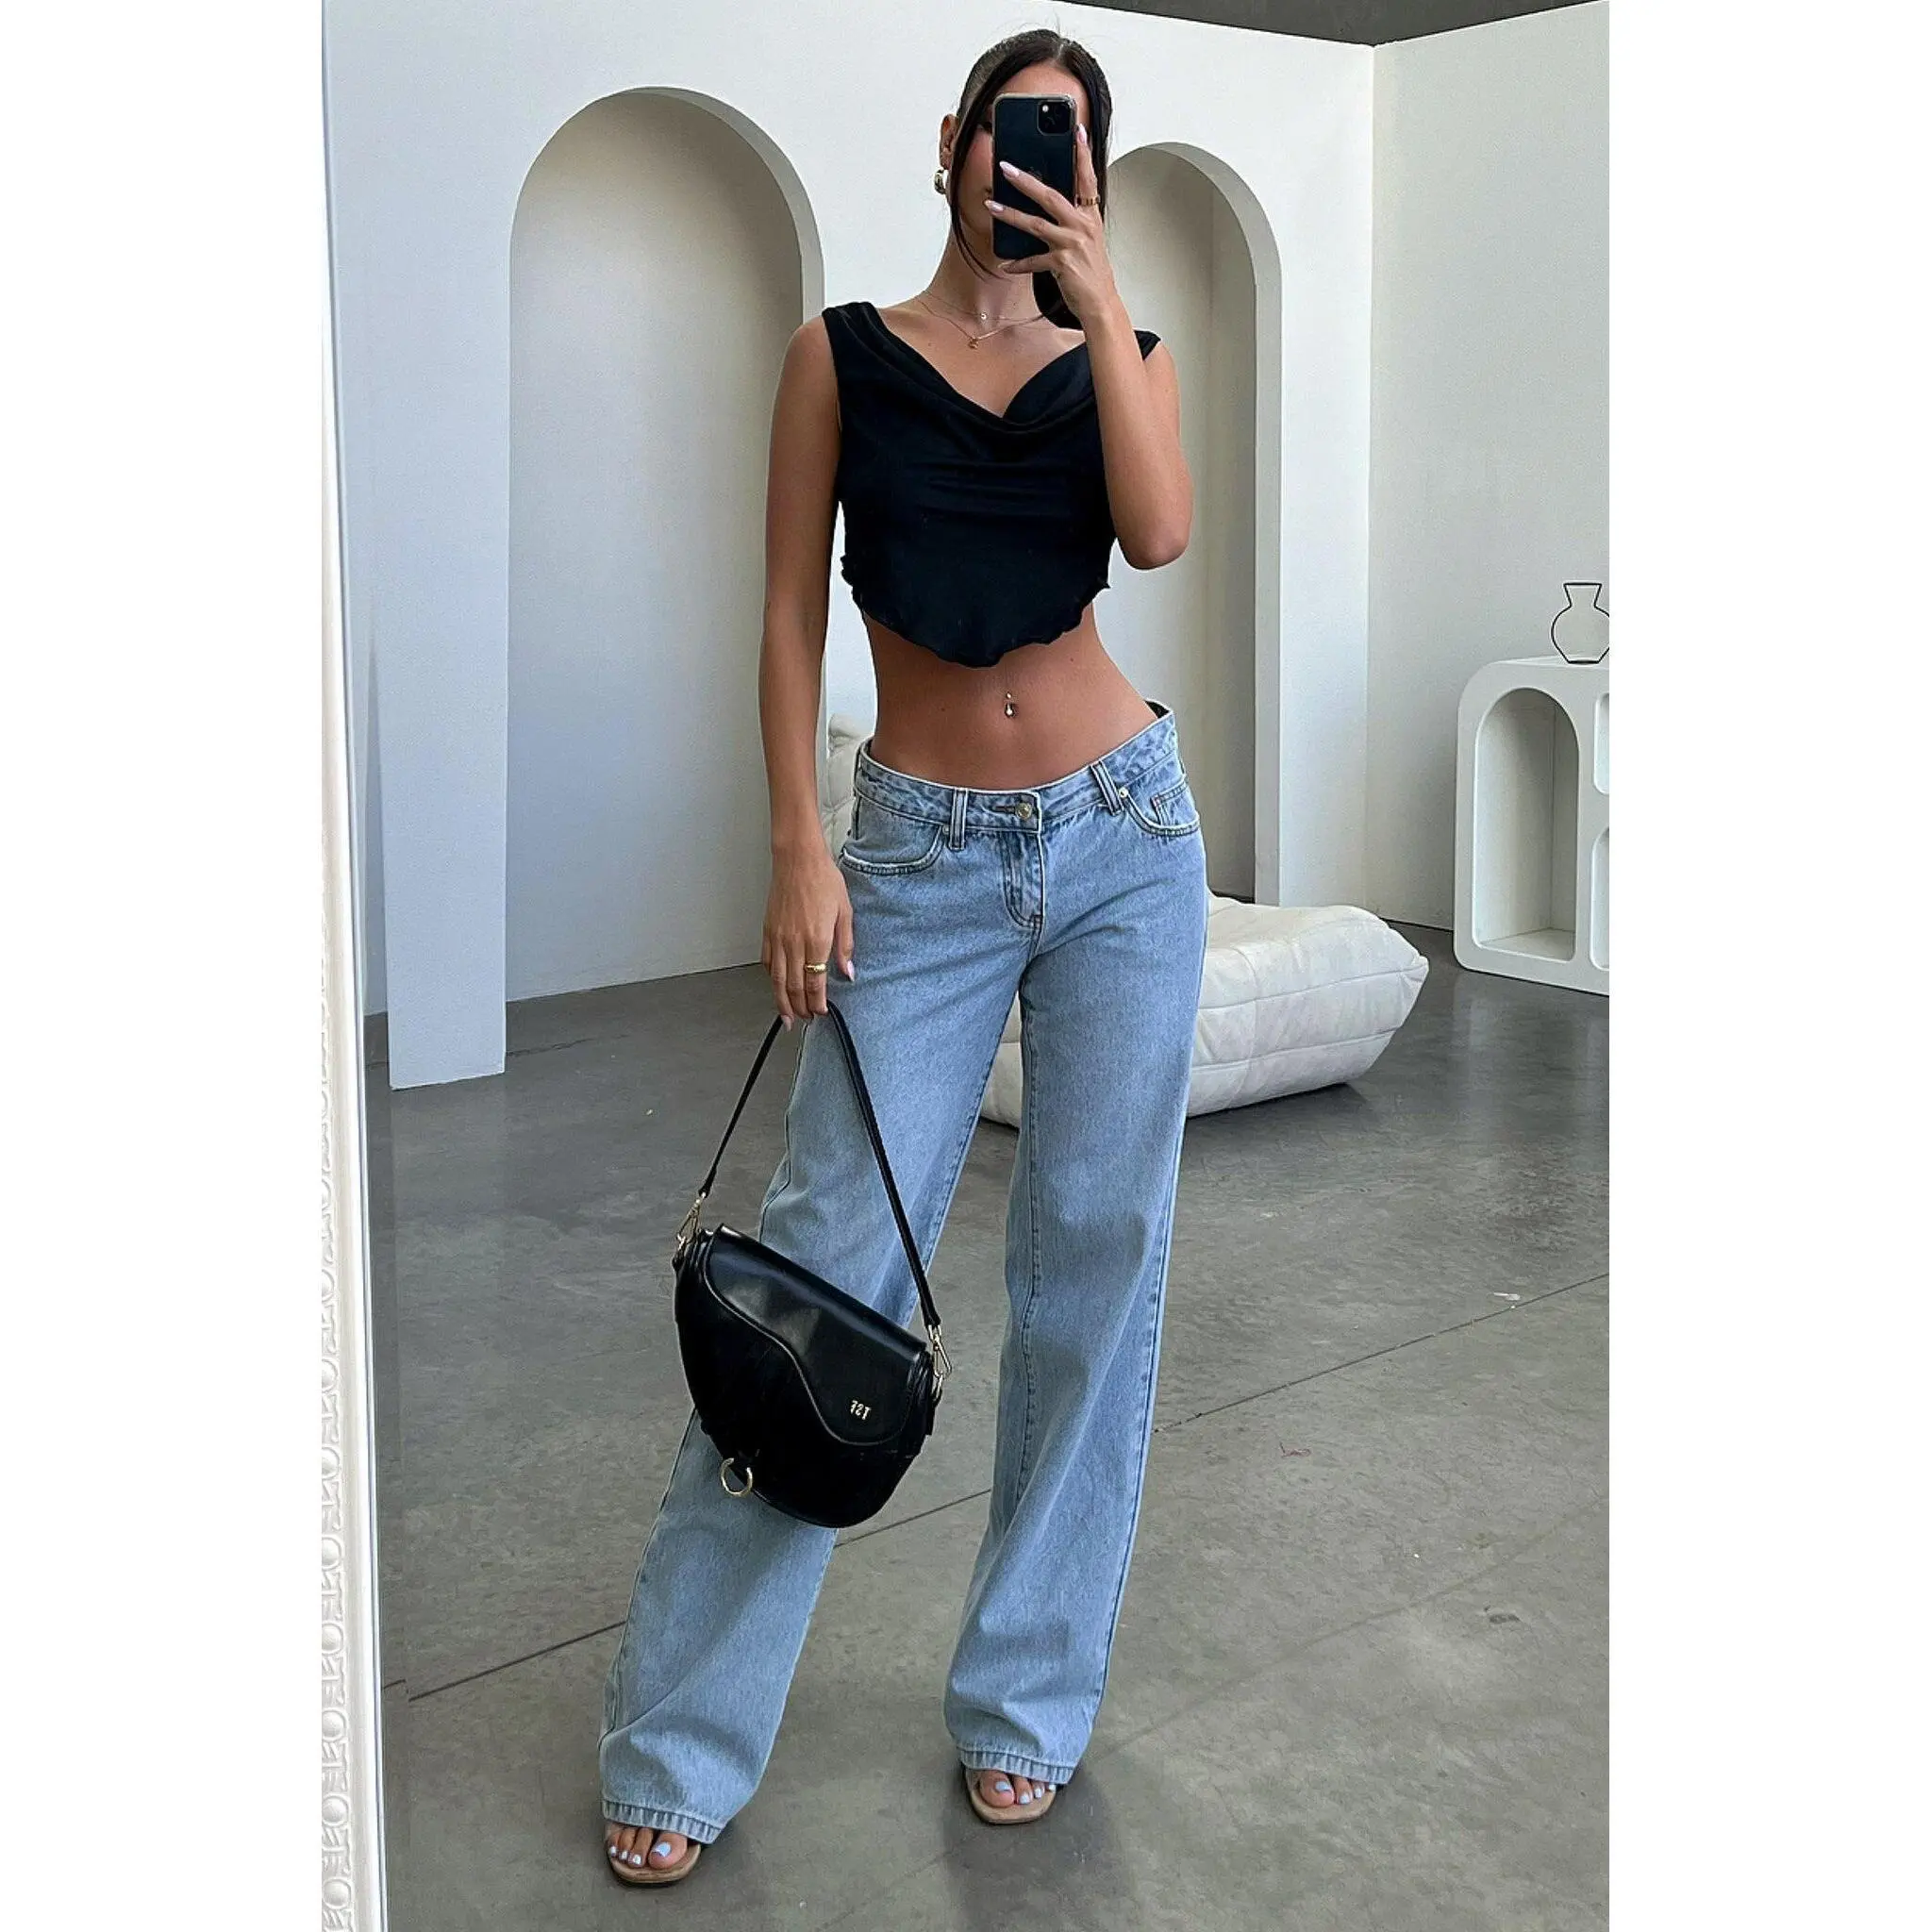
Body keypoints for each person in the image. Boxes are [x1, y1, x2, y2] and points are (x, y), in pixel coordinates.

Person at [599, 27, 1207, 1887]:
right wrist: (799, 840)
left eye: (1069, 146)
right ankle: (680, 1740)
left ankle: (1026, 1703)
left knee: (1096, 1272)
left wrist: (1096, 297)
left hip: (1124, 839)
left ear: (1091, 172)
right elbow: (789, 613)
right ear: (951, 141)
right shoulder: (838, 355)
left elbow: (1161, 531)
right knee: (822, 1278)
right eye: (1013, 132)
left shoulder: (1125, 353)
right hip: (918, 860)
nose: (1031, 164)